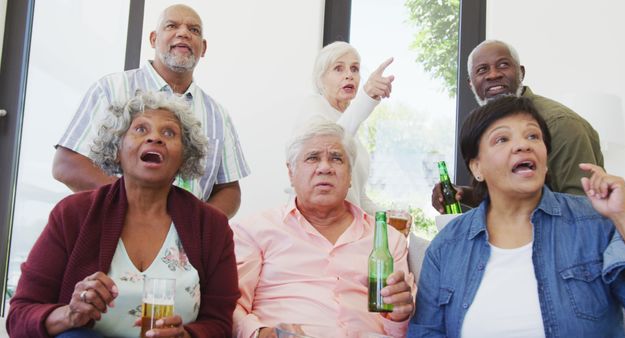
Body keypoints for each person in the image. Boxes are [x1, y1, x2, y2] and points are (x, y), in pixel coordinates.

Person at [8, 92, 239, 338]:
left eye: (169, 133)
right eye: (141, 129)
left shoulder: (211, 226)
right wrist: (69, 314)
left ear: (184, 158)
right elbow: (20, 316)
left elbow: (219, 323)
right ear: (117, 149)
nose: (155, 138)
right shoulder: (72, 214)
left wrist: (188, 336)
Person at [408, 96, 625, 337]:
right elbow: (426, 331)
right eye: (502, 139)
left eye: (533, 136)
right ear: (477, 168)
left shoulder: (594, 223)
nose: (523, 145)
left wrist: (624, 217)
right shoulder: (447, 246)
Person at [53, 4, 249, 218]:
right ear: (153, 39)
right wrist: (135, 208)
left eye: (193, 30)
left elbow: (229, 190)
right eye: (172, 25)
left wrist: (195, 226)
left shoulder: (218, 115)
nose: (183, 33)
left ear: (203, 48)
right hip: (111, 229)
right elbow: (66, 165)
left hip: (184, 245)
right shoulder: (110, 90)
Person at [232, 122, 414, 338]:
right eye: (313, 158)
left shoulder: (388, 240)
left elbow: (400, 329)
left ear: (349, 177)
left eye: (336, 158)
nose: (325, 167)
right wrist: (261, 333)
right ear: (291, 173)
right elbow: (229, 305)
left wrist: (399, 315)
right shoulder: (254, 230)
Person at [431, 39, 603, 212]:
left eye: (503, 65)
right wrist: (463, 194)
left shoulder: (560, 123)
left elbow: (583, 212)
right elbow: (512, 198)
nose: (493, 75)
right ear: (470, 83)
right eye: (482, 70)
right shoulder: (484, 127)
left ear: (521, 72)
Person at [292, 41, 394, 215]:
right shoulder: (313, 107)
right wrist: (366, 97)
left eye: (354, 69)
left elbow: (357, 199)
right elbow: (330, 145)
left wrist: (387, 217)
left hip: (348, 229)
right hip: (316, 226)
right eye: (339, 68)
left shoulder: (349, 122)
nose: (349, 75)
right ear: (320, 78)